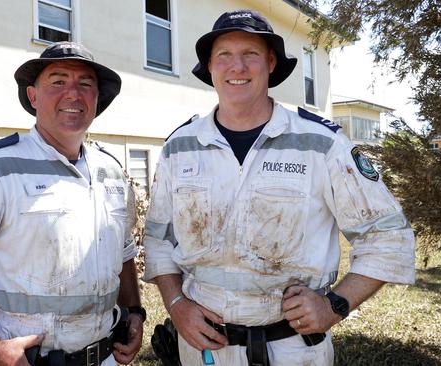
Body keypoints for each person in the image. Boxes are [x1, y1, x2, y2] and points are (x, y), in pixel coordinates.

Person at [143, 9, 415, 366]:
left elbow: (388, 238)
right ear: (209, 67)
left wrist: (335, 305)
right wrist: (176, 305)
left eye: (250, 55)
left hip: (293, 349)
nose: (236, 67)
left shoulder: (320, 143)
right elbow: (159, 239)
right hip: (203, 348)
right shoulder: (180, 147)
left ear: (271, 63)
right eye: (224, 55)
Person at [0, 41, 145, 366]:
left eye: (85, 84)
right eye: (58, 82)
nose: (73, 94)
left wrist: (134, 311)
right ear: (33, 96)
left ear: (97, 99)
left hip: (107, 358)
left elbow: (124, 250)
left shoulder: (111, 172)